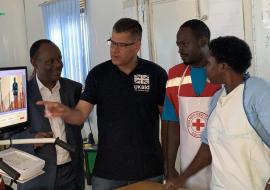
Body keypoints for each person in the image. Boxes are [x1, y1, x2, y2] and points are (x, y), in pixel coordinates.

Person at [38, 18, 168, 190]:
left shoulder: (156, 74)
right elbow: (80, 115)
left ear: (137, 45)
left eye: (121, 45)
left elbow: (167, 122)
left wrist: (168, 161)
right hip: (108, 171)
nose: (114, 50)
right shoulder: (98, 74)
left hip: (148, 168)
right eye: (112, 43)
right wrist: (65, 111)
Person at [166, 36, 270, 190]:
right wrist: (182, 178)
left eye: (208, 63)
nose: (204, 68)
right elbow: (207, 147)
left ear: (223, 66)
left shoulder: (256, 91)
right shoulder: (217, 98)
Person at [16, 39, 85, 190]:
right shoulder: (22, 94)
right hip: (37, 177)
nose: (58, 65)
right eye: (50, 61)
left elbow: (79, 123)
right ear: (34, 62)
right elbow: (9, 138)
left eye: (60, 59)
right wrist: (32, 140)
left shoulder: (73, 88)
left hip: (71, 174)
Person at [161, 19, 220, 190]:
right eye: (178, 45)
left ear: (203, 42)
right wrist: (169, 168)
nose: (180, 50)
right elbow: (171, 125)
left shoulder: (224, 72)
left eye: (184, 44)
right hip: (188, 170)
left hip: (223, 168)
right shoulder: (174, 75)